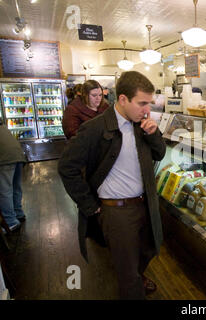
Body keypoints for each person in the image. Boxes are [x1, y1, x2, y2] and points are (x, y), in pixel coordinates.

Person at [58, 71, 166, 300]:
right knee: (127, 275)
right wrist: (89, 205)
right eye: (142, 103)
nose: (147, 109)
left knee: (149, 249)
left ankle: (138, 276)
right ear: (123, 99)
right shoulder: (94, 128)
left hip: (145, 203)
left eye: (150, 103)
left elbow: (160, 153)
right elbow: (67, 168)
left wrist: (154, 134)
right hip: (116, 210)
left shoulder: (142, 124)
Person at [0, 124, 27, 231]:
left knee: (4, 191)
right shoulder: (2, 126)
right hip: (17, 155)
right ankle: (18, 213)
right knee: (16, 187)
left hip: (4, 158)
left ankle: (10, 222)